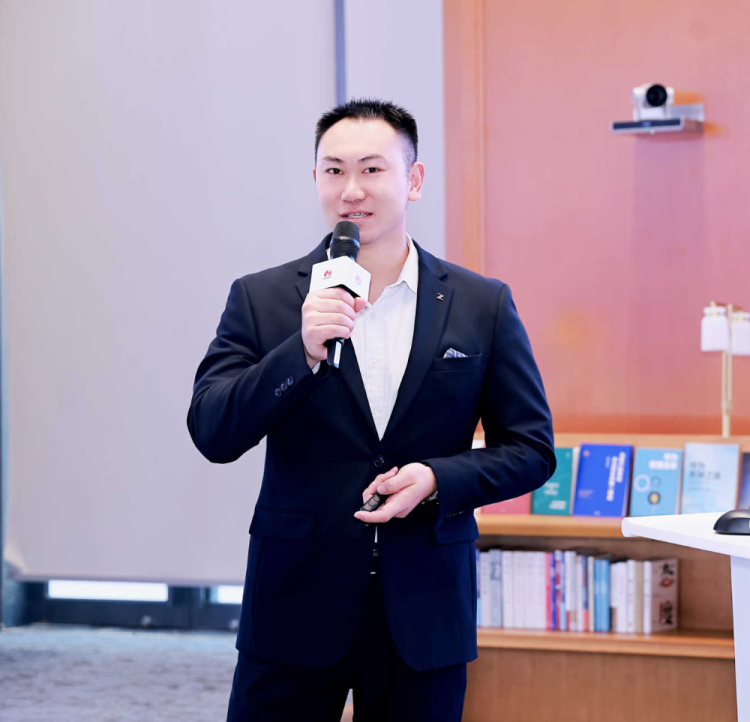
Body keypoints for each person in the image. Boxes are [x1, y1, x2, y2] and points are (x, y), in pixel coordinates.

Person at [187, 98, 555, 722]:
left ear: (413, 180)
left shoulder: (481, 304)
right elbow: (213, 430)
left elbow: (531, 450)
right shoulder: (262, 298)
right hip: (294, 603)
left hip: (425, 608)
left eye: (372, 169)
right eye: (333, 171)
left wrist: (437, 478)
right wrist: (299, 352)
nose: (351, 190)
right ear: (315, 180)